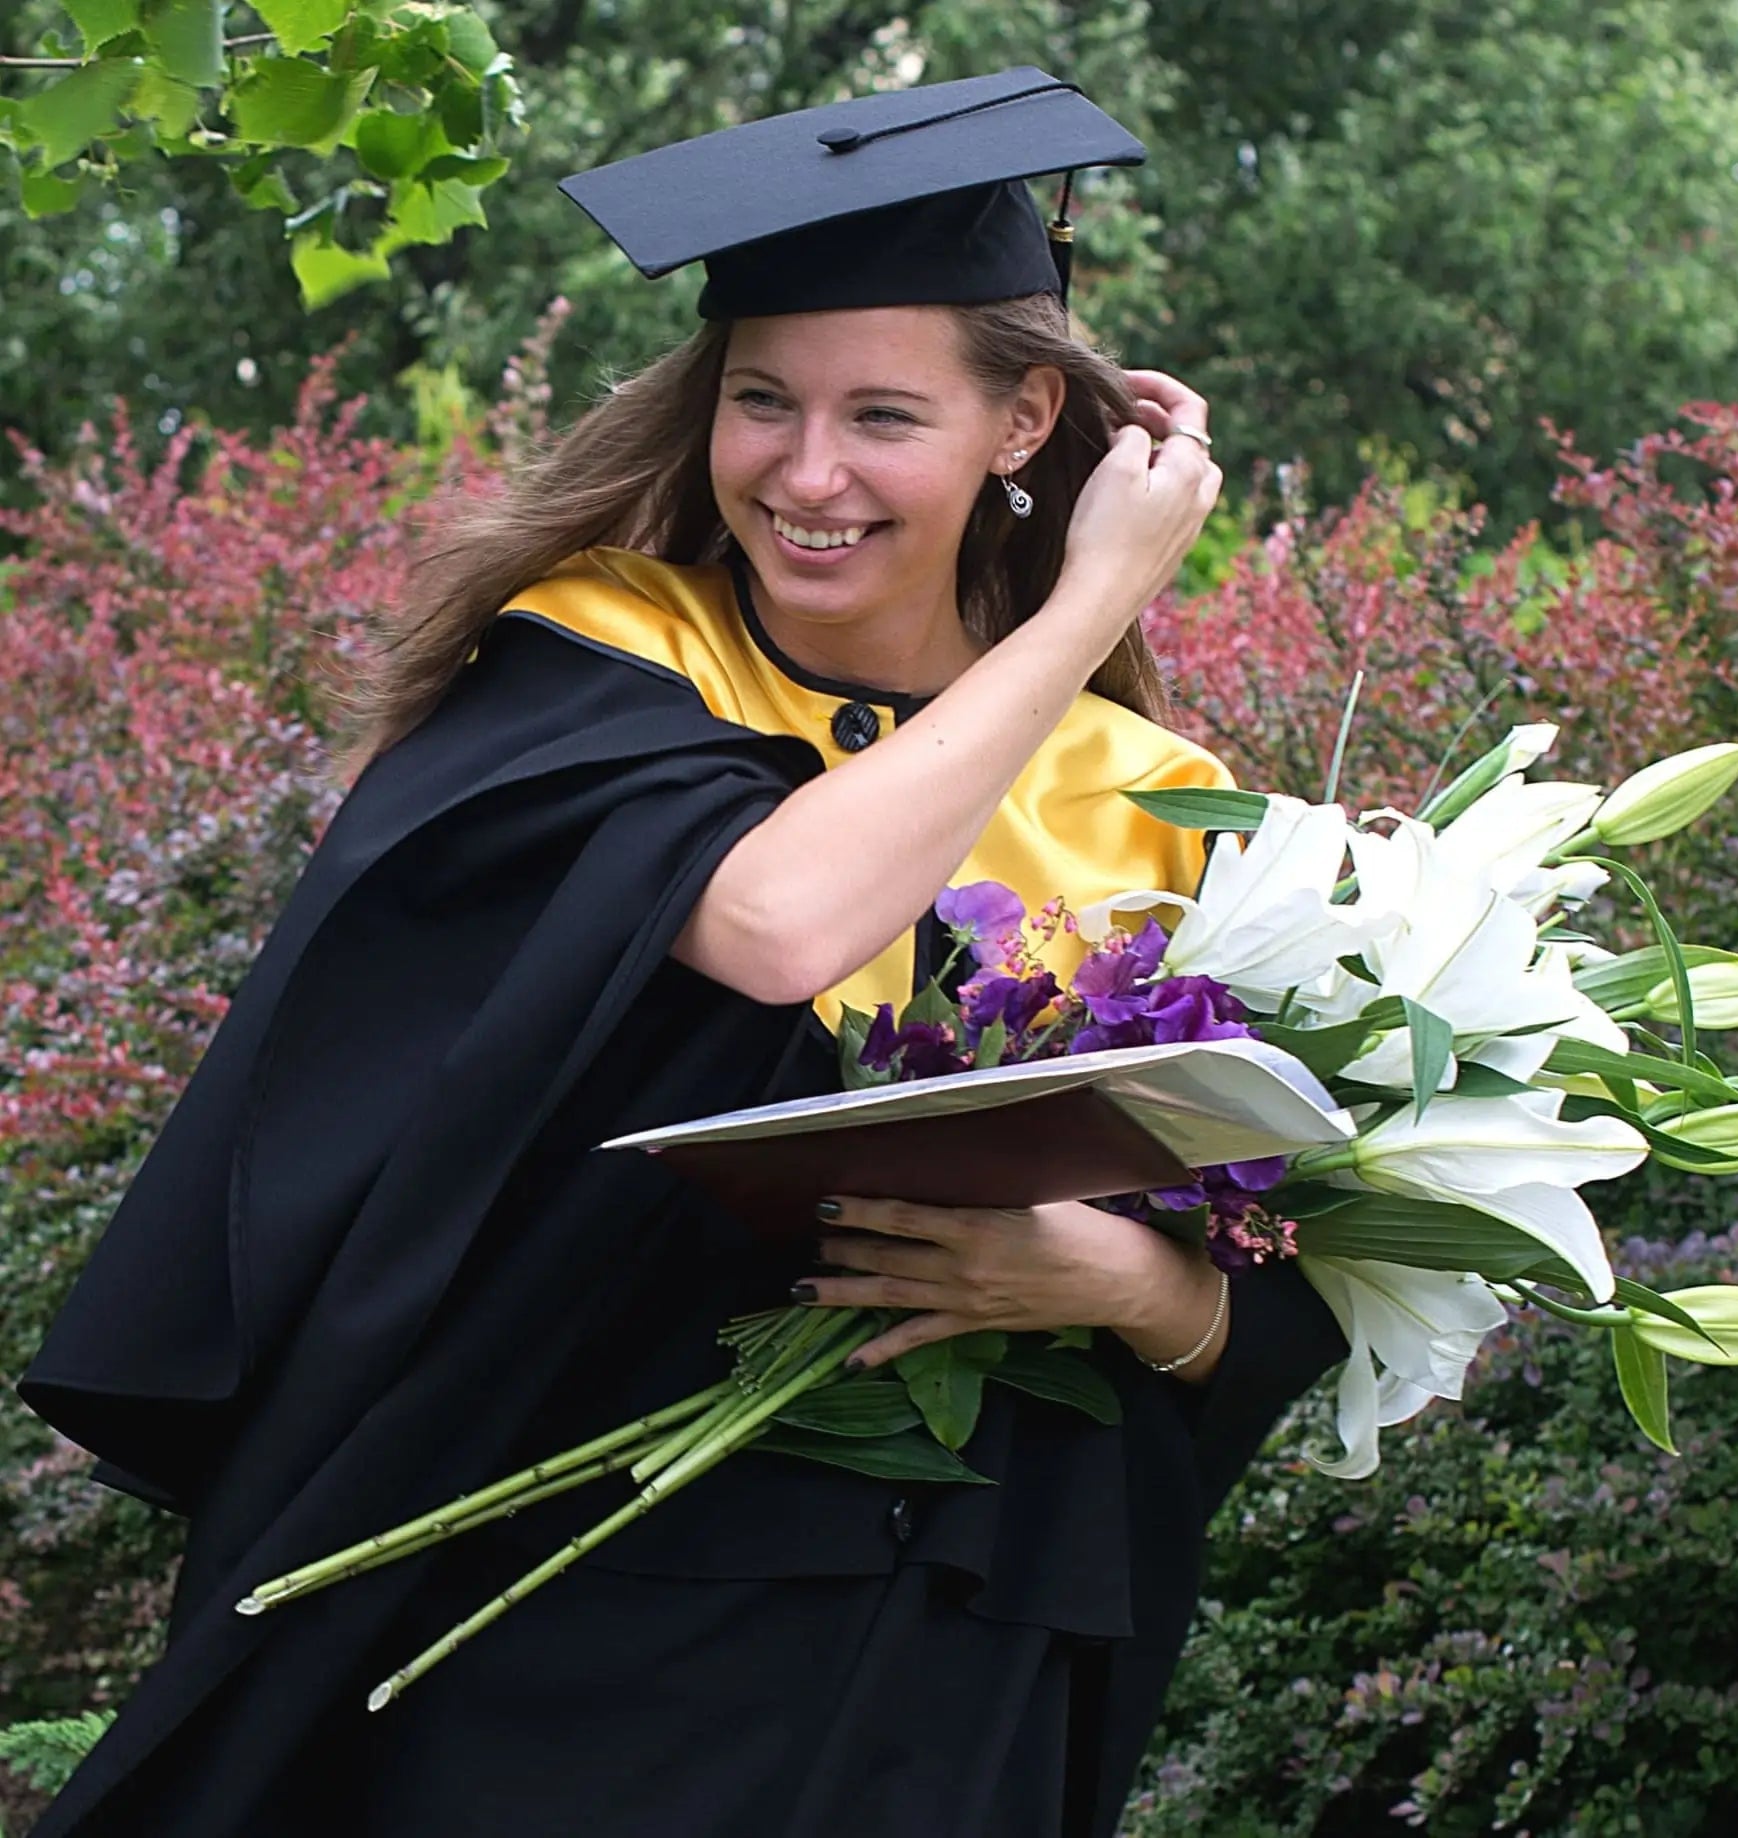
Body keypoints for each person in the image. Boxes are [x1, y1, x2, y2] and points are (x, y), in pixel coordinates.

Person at [17, 67, 1348, 1837]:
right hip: (570, 1594)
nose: (806, 472)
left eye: (882, 414)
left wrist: (1123, 1289)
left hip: (952, 1631)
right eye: (760, 402)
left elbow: (1278, 1268)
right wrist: (1092, 605)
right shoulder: (597, 662)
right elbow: (786, 920)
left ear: (1021, 424)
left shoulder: (1163, 809)